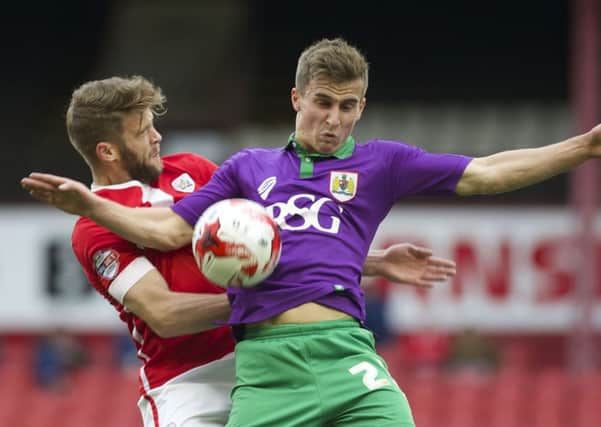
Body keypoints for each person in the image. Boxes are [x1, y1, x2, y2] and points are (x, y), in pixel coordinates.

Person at [23, 35, 593, 425]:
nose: (334, 118)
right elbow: (171, 254)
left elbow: (487, 172)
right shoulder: (246, 169)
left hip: (344, 354)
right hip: (226, 374)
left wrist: (586, 146)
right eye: (323, 102)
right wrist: (91, 208)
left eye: (348, 106)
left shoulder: (372, 163)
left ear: (362, 107)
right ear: (297, 99)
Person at [27, 75, 457, 427]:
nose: (158, 137)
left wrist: (374, 263)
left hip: (260, 361)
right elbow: (165, 314)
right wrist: (262, 300)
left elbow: (273, 236)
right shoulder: (94, 230)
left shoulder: (193, 170)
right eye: (144, 131)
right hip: (186, 384)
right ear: (107, 150)